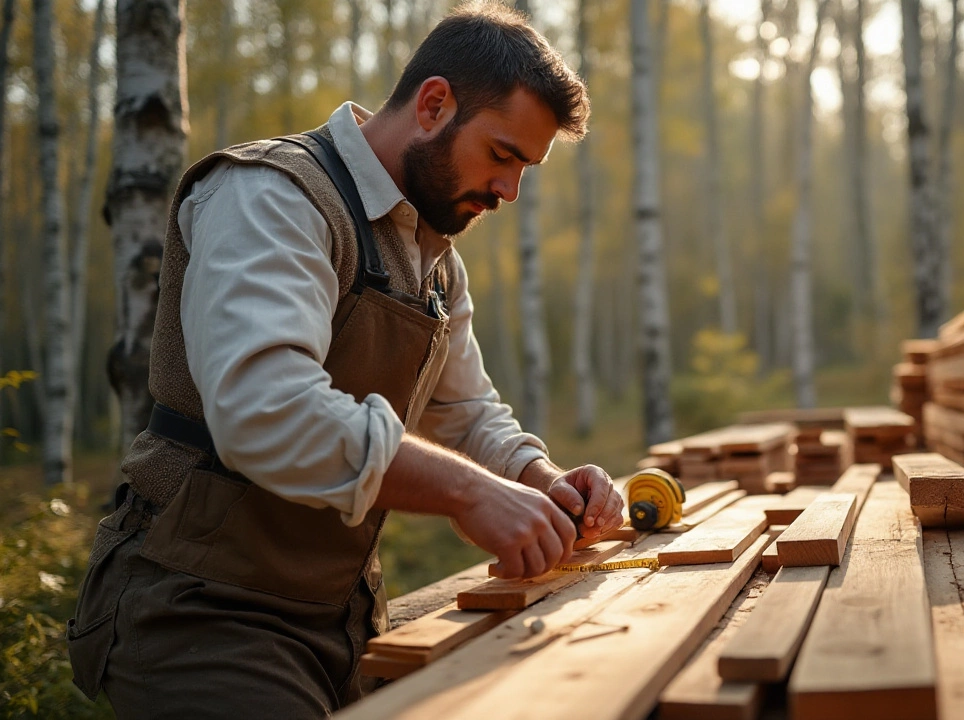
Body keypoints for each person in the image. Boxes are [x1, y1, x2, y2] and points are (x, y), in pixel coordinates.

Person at [66, 4, 624, 716]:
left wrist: (539, 481)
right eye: (503, 155)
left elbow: (466, 414)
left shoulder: (435, 260)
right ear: (432, 105)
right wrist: (472, 493)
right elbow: (268, 411)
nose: (508, 191)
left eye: (524, 170)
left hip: (343, 616)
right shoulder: (270, 195)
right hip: (196, 609)